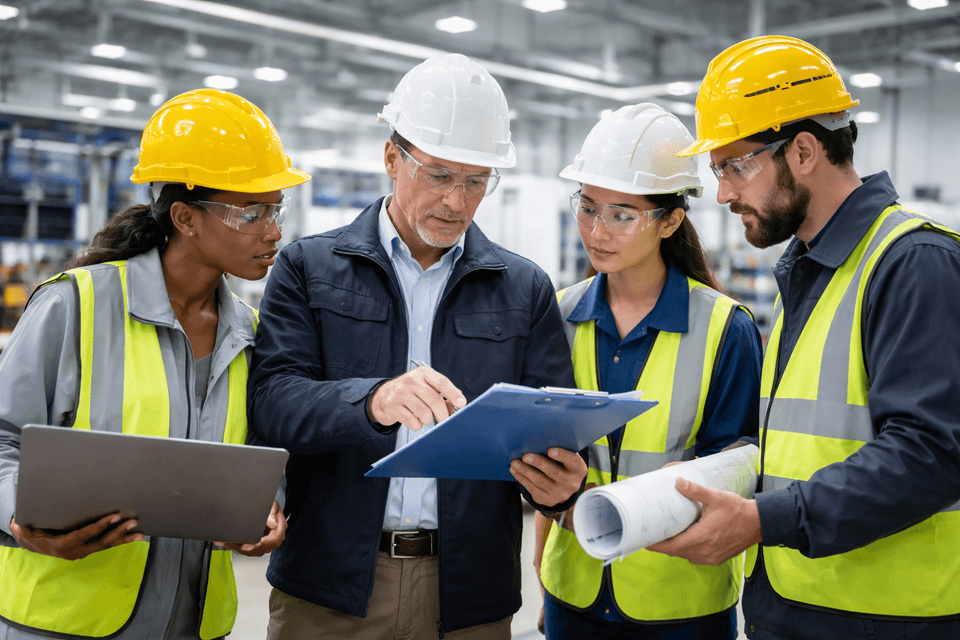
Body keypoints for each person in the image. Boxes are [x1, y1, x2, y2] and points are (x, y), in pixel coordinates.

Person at [247, 53, 587, 640]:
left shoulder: (525, 288)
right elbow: (273, 402)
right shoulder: (308, 268)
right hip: (330, 589)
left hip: (468, 594)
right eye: (439, 175)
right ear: (391, 159)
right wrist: (373, 401)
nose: (457, 200)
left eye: (476, 181)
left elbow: (551, 424)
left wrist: (562, 485)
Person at [646, 35, 960, 639]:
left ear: (805, 151)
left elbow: (931, 453)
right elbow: (803, 443)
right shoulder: (810, 271)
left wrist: (764, 520)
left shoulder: (913, 263)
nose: (724, 193)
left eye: (736, 166)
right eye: (718, 171)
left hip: (887, 619)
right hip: (794, 605)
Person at [0, 88, 309, 639]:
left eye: (275, 209)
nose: (273, 231)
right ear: (186, 217)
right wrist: (19, 518)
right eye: (251, 212)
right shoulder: (75, 306)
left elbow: (262, 457)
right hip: (63, 623)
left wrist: (267, 509)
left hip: (192, 625)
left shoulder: (252, 335)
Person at [533, 104, 762, 639]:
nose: (597, 231)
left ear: (671, 221)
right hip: (575, 593)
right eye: (587, 207)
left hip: (679, 603)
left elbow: (737, 469)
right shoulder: (557, 315)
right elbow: (544, 451)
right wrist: (543, 565)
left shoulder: (726, 329)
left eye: (622, 215)